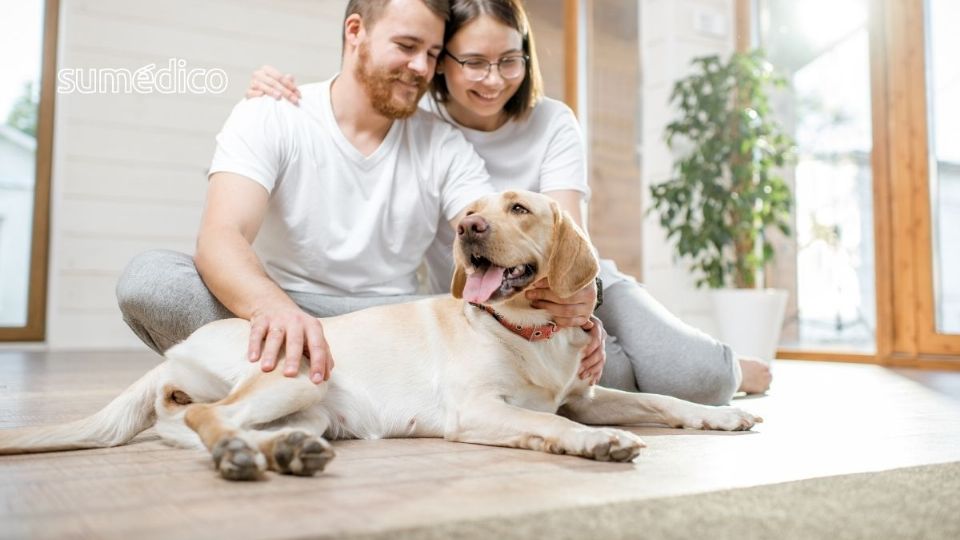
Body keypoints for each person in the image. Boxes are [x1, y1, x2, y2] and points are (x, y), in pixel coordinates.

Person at [247, 0, 772, 404]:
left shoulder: (552, 121)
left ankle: (727, 365)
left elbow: (569, 238)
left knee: (699, 380)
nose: (493, 79)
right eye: (473, 61)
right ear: (441, 62)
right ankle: (647, 368)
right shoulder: (419, 122)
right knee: (597, 381)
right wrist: (273, 86)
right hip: (489, 301)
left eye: (509, 61)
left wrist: (582, 310)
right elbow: (358, 85)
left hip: (575, 279)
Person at [116, 0, 605, 389]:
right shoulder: (273, 113)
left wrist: (563, 311)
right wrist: (275, 309)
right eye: (407, 45)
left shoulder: (443, 141)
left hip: (395, 324)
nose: (420, 67)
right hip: (291, 307)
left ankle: (297, 381)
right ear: (356, 32)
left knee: (564, 366)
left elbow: (491, 231)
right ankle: (317, 374)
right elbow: (221, 235)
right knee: (152, 279)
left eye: (433, 54)